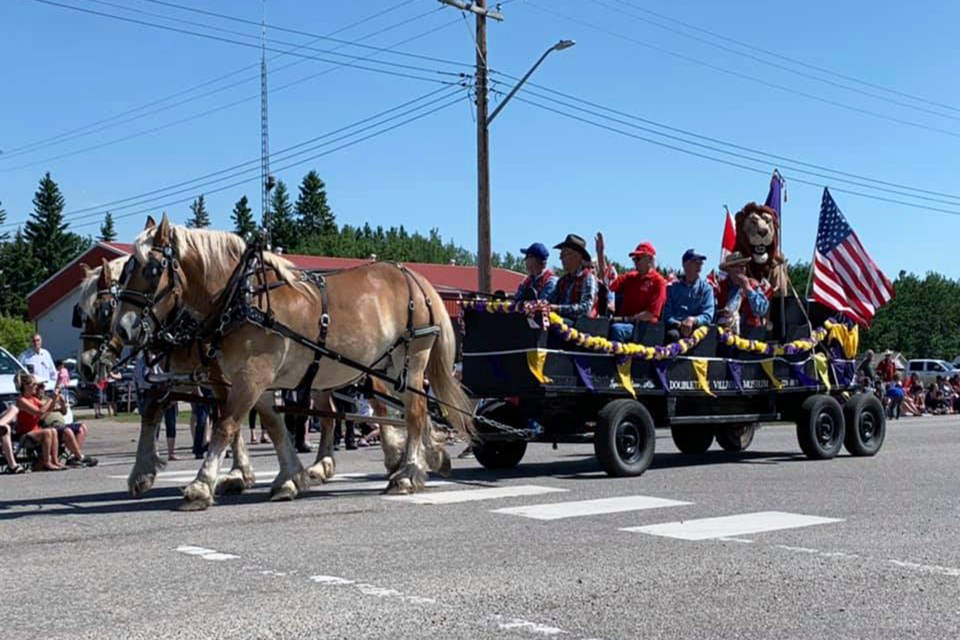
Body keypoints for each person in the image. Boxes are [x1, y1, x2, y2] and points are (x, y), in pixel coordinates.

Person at [595, 235, 667, 343]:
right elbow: (608, 282)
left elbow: (651, 314)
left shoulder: (658, 282)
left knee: (616, 330)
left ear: (649, 259)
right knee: (599, 326)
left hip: (645, 328)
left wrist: (626, 319)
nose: (635, 262)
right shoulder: (631, 277)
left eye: (638, 258)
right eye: (634, 259)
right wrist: (600, 254)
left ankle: (622, 360)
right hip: (626, 323)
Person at [13, 373, 65, 471]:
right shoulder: (21, 400)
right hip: (24, 434)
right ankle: (47, 462)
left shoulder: (33, 399)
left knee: (53, 430)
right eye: (34, 384)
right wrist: (51, 398)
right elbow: (39, 412)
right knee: (47, 432)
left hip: (35, 431)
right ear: (25, 386)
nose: (36, 387)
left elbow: (48, 408)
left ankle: (55, 461)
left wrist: (55, 398)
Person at [663, 249, 715, 343]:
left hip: (698, 331)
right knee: (671, 336)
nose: (699, 266)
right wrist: (680, 324)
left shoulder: (707, 289)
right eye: (695, 262)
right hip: (675, 330)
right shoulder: (672, 289)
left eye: (701, 263)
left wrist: (693, 320)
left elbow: (708, 315)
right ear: (685, 264)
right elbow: (666, 314)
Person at [135, 353, 179, 462]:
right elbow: (140, 379)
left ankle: (171, 452)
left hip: (167, 393)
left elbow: (172, 375)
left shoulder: (164, 359)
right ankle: (154, 452)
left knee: (171, 423)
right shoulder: (141, 361)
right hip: (152, 394)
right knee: (155, 425)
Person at [713, 251, 771, 335]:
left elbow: (761, 310)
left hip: (750, 336)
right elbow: (712, 314)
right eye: (738, 266)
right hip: (724, 336)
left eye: (744, 266)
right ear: (729, 269)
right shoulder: (719, 287)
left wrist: (747, 288)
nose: (742, 269)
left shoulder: (753, 285)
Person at [547, 234, 598, 319]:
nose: (560, 258)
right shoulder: (562, 281)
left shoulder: (588, 278)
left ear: (577, 256)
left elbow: (586, 308)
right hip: (559, 321)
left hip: (578, 326)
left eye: (564, 254)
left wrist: (558, 308)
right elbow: (550, 301)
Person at [1, 403, 27, 474]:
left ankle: (12, 465)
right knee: (6, 428)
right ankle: (13, 466)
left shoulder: (2, 405)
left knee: (14, 408)